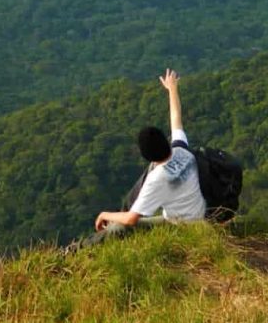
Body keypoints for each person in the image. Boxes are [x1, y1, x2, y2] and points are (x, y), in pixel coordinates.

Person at [83, 69, 206, 246]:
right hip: (200, 220)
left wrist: (104, 214)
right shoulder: (183, 151)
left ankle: (75, 250)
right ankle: (128, 206)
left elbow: (132, 220)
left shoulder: (157, 178)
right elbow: (176, 119)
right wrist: (172, 89)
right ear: (166, 141)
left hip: (182, 228)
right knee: (151, 172)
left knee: (119, 228)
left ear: (146, 155)